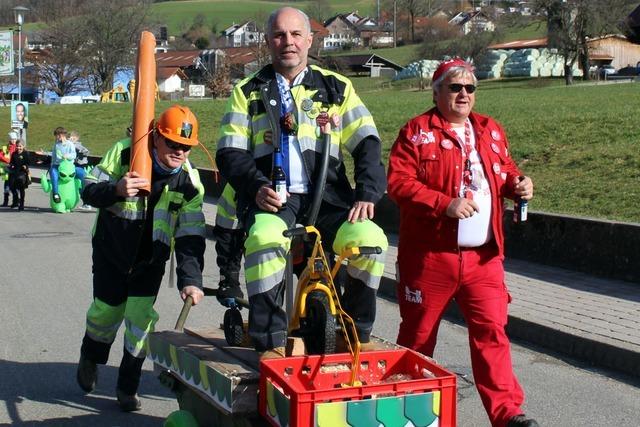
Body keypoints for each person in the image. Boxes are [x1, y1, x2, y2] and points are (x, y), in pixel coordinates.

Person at [216, 6, 388, 358]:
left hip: (330, 199)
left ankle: (355, 331)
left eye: (295, 35)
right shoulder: (247, 92)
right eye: (279, 35)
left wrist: (367, 193)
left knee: (370, 240)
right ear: (268, 41)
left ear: (310, 40)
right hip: (275, 199)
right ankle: (270, 341)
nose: (288, 42)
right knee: (264, 239)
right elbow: (230, 153)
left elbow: (368, 142)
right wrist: (256, 186)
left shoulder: (337, 88)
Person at [387, 58, 537, 427]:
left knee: (492, 333)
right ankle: (409, 410)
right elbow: (399, 184)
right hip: (430, 256)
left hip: (483, 259)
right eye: (455, 87)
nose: (464, 95)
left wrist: (519, 183)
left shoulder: (490, 130)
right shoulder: (416, 132)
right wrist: (444, 204)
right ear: (436, 91)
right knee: (418, 337)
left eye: (470, 88)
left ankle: (507, 415)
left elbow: (505, 171)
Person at [76, 105, 206, 412]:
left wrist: (191, 280)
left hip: (150, 262)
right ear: (157, 137)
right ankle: (91, 357)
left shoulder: (190, 184)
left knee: (139, 321)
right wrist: (117, 189)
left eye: (186, 147)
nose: (179, 151)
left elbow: (190, 236)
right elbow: (88, 190)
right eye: (173, 143)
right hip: (111, 253)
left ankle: (127, 385)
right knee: (104, 315)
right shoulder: (124, 153)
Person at [49, 127, 77, 203]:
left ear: (61, 135)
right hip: (58, 165)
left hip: (68, 166)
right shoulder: (56, 145)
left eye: (56, 136)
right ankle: (56, 193)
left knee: (81, 173)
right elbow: (54, 156)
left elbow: (74, 155)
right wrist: (52, 165)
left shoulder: (70, 144)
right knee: (53, 172)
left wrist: (67, 156)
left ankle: (83, 194)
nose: (56, 138)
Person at [70, 130, 92, 209]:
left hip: (78, 167)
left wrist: (80, 152)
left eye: (73, 137)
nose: (71, 138)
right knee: (76, 186)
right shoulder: (69, 145)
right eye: (70, 137)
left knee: (81, 186)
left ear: (77, 138)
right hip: (73, 167)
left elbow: (86, 151)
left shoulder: (77, 145)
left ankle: (87, 203)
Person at [8, 140, 30, 211]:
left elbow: (28, 163)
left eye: (20, 146)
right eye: (17, 146)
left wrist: (25, 166)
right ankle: (16, 200)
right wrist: (10, 165)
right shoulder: (14, 154)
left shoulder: (25, 154)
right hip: (14, 172)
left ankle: (21, 204)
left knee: (21, 189)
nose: (18, 147)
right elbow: (11, 162)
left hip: (22, 173)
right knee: (11, 187)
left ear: (23, 146)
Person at [0, 131, 19, 207]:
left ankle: (16, 200)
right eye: (12, 139)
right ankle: (5, 200)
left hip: (15, 168)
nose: (14, 140)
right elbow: (1, 156)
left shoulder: (18, 147)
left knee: (16, 184)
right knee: (7, 184)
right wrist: (7, 160)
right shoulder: (5, 147)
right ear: (9, 139)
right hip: (7, 168)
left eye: (15, 139)